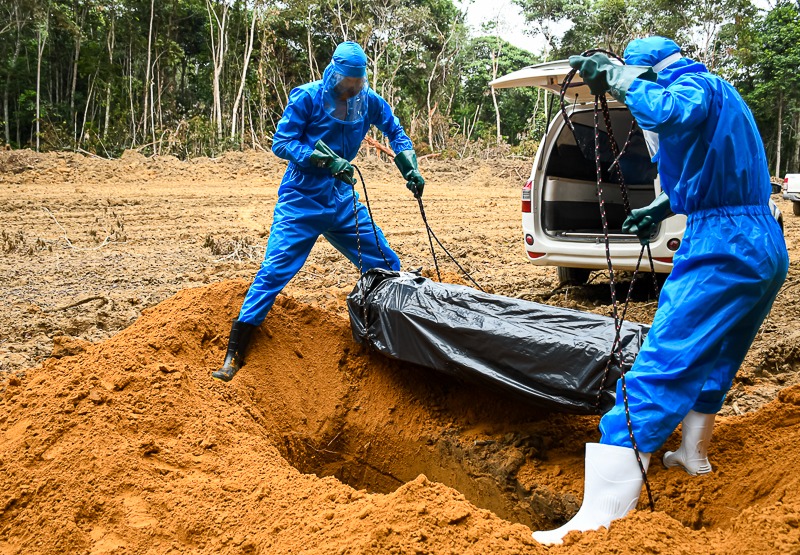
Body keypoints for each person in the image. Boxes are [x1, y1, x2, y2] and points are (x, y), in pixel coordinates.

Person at [533, 36, 789, 545]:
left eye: (636, 77)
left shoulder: (690, 84)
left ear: (649, 69)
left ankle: (599, 520)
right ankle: (692, 454)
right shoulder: (724, 95)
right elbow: (712, 161)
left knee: (662, 360)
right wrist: (663, 205)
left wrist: (621, 78)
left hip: (723, 244)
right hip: (760, 239)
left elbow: (670, 112)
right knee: (718, 352)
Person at [212, 41, 425, 382]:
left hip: (341, 198)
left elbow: (395, 132)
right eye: (346, 85)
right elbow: (281, 143)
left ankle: (383, 342)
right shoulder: (307, 97)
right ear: (333, 75)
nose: (351, 91)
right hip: (301, 198)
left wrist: (409, 167)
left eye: (357, 85)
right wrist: (321, 159)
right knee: (273, 273)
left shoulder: (368, 102)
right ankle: (234, 353)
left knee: (386, 265)